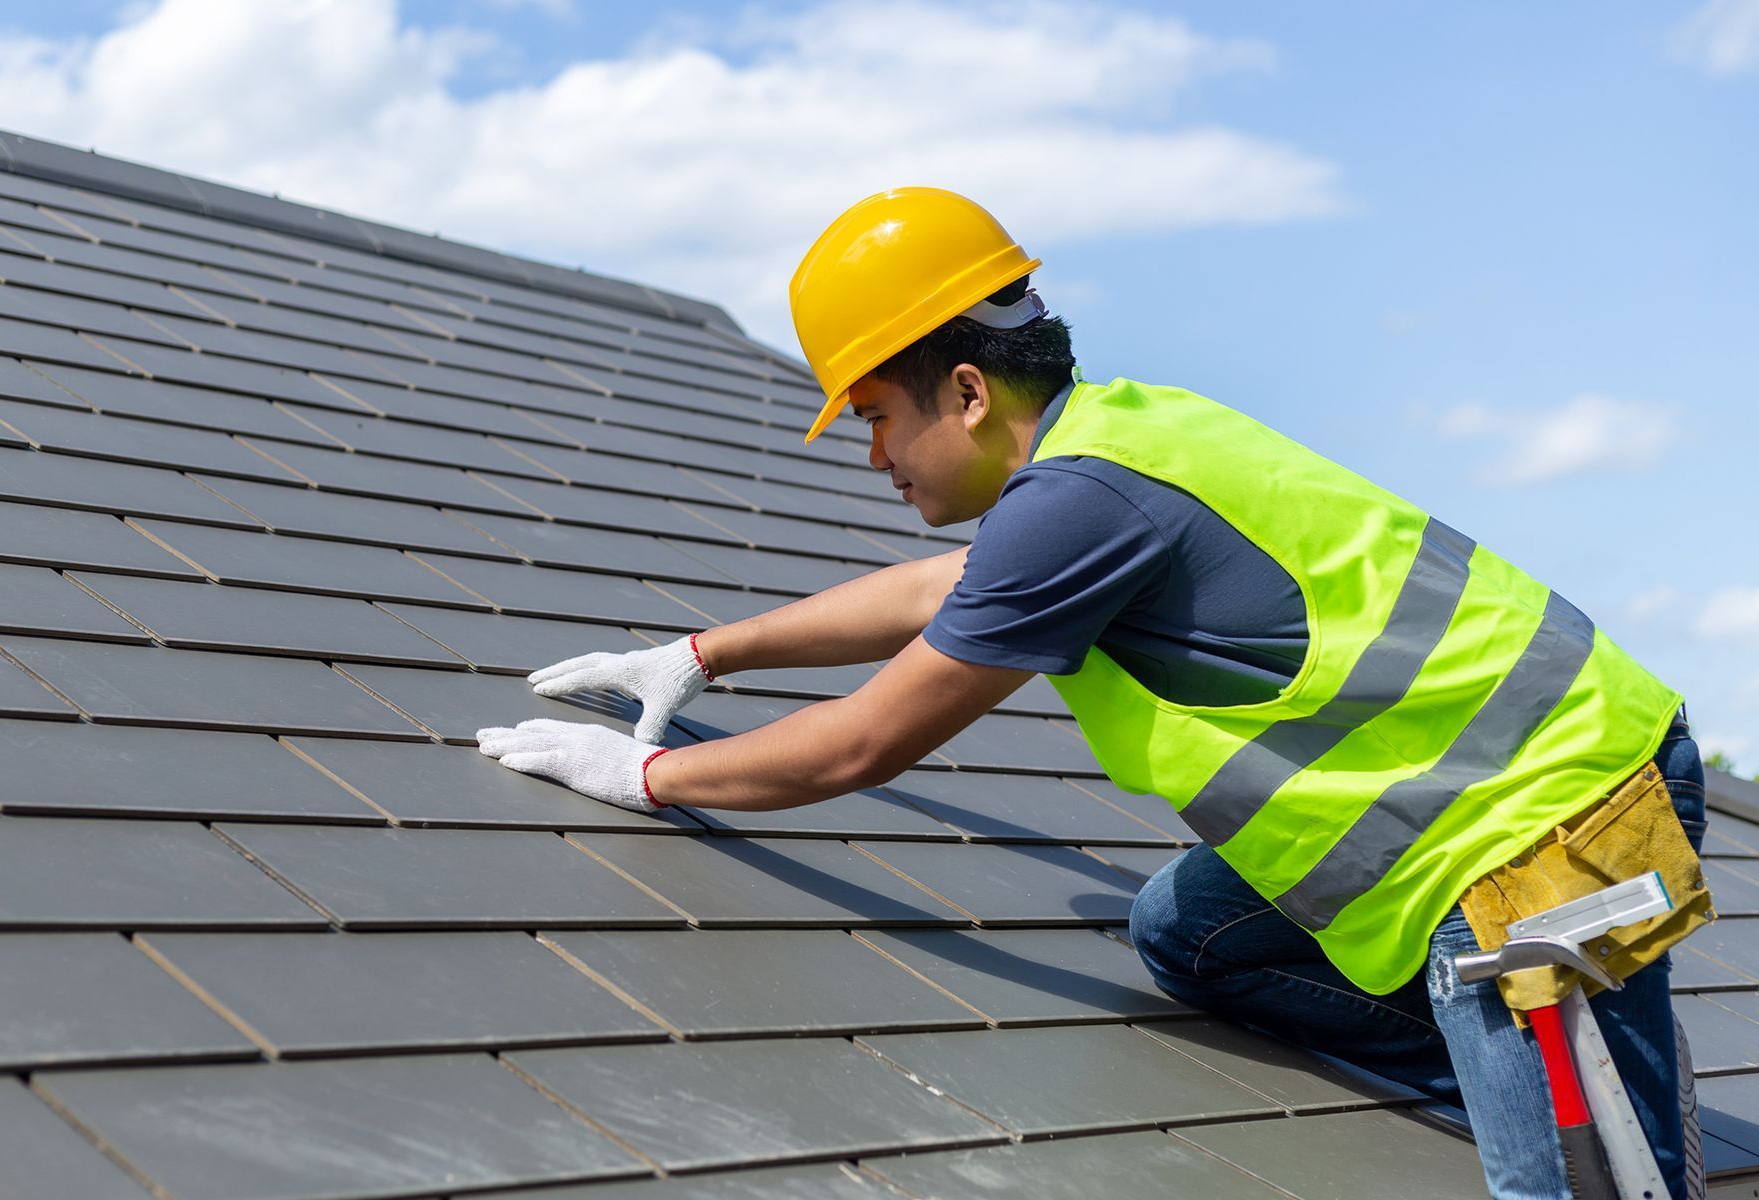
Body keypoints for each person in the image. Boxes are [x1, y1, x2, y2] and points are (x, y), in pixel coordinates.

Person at [477, 187, 1708, 1200]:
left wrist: (646, 777)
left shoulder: (1082, 500)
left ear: (966, 391)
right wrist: (703, 657)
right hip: (1473, 804)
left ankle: (1563, 1098)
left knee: (1591, 1192)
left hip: (1549, 837)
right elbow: (936, 593)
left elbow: (861, 746)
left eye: (877, 417)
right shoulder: (1110, 442)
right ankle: (1500, 1057)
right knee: (1189, 932)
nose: (873, 457)